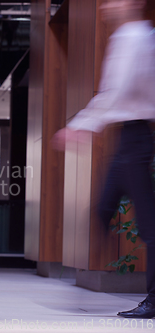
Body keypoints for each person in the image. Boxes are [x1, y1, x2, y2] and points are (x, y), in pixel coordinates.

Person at [52, 0, 155, 319]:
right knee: (101, 211)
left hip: (136, 137)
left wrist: (79, 126)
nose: (107, 6)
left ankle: (153, 299)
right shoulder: (131, 36)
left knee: (149, 226)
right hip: (128, 137)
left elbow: (117, 92)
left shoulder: (135, 38)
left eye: (115, 0)